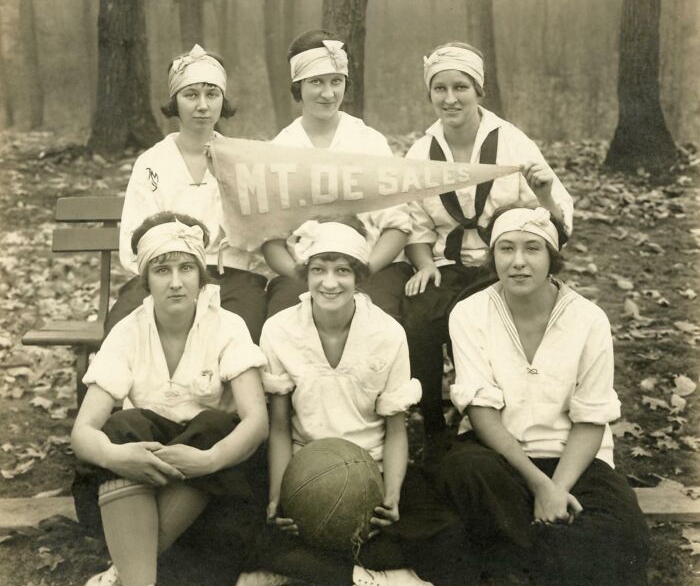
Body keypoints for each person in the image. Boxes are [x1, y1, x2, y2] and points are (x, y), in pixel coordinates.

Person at [44, 213, 269, 586]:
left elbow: (256, 421)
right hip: (133, 492)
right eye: (162, 270)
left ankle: (115, 583)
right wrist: (117, 456)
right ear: (145, 279)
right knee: (123, 427)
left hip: (208, 495)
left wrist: (210, 460)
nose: (176, 282)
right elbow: (83, 433)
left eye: (186, 268)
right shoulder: (129, 331)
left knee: (214, 426)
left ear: (201, 276)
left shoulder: (227, 326)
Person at [234, 219, 462, 586]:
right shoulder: (279, 330)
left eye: (342, 270)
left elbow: (396, 429)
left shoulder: (388, 332)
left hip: (371, 468)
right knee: (235, 521)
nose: (330, 282)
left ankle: (295, 568)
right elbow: (280, 426)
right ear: (305, 274)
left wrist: (391, 496)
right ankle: (381, 577)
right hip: (303, 468)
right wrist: (280, 495)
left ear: (359, 277)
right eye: (318, 269)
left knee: (449, 531)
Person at [436, 206, 649, 586]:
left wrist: (557, 489)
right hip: (500, 459)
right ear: (492, 256)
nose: (518, 261)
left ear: (552, 257)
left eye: (532, 248)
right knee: (463, 472)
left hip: (575, 462)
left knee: (627, 548)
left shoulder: (589, 319)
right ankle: (559, 551)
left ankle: (514, 552)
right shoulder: (470, 313)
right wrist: (539, 486)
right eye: (506, 249)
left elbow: (591, 419)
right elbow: (481, 412)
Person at [402, 42, 574, 445]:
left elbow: (555, 226)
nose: (450, 98)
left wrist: (544, 194)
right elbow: (415, 224)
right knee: (418, 317)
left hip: (502, 264)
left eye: (460, 87)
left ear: (479, 91)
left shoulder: (512, 143)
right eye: (440, 89)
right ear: (429, 94)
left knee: (482, 320)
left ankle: (491, 417)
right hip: (447, 264)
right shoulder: (421, 152)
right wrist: (424, 263)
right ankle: (432, 424)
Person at [108, 44, 268, 342]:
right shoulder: (152, 163)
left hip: (229, 277)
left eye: (212, 94)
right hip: (163, 274)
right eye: (191, 95)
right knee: (122, 330)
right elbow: (134, 240)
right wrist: (173, 267)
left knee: (242, 335)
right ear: (175, 101)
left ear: (222, 100)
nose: (202, 106)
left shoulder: (243, 160)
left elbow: (256, 239)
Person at [263, 30, 412, 321]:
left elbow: (397, 225)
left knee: (376, 321)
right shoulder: (279, 149)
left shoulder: (369, 142)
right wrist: (304, 276)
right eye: (316, 82)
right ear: (298, 86)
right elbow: (271, 239)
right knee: (285, 319)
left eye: (336, 81)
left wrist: (362, 271)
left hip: (371, 268)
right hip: (302, 272)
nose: (328, 93)